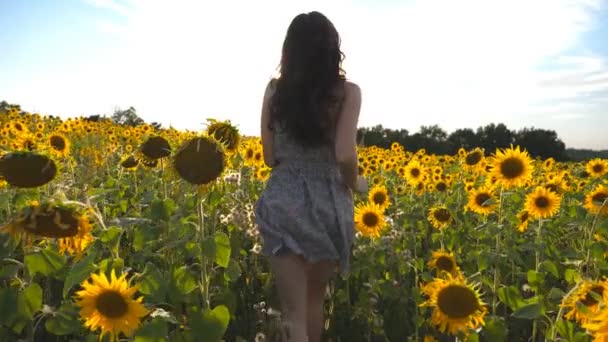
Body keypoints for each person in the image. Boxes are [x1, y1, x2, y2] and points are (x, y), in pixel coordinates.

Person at [254, 11, 368, 342]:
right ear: (333, 51)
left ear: (289, 50)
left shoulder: (274, 90)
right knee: (315, 303)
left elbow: (269, 156)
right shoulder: (347, 93)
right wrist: (355, 183)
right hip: (328, 204)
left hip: (284, 201)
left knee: (293, 315)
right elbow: (345, 154)